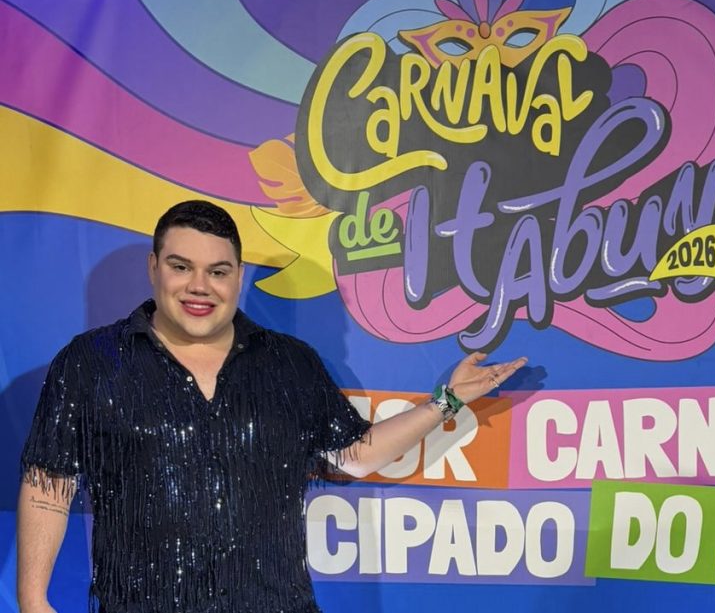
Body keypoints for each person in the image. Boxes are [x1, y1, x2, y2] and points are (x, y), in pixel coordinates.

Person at [17, 200, 526, 612]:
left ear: (238, 277)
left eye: (218, 271)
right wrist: (34, 601)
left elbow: (355, 455)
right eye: (181, 266)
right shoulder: (91, 362)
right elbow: (48, 486)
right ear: (154, 268)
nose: (200, 286)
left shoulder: (290, 363)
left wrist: (449, 400)